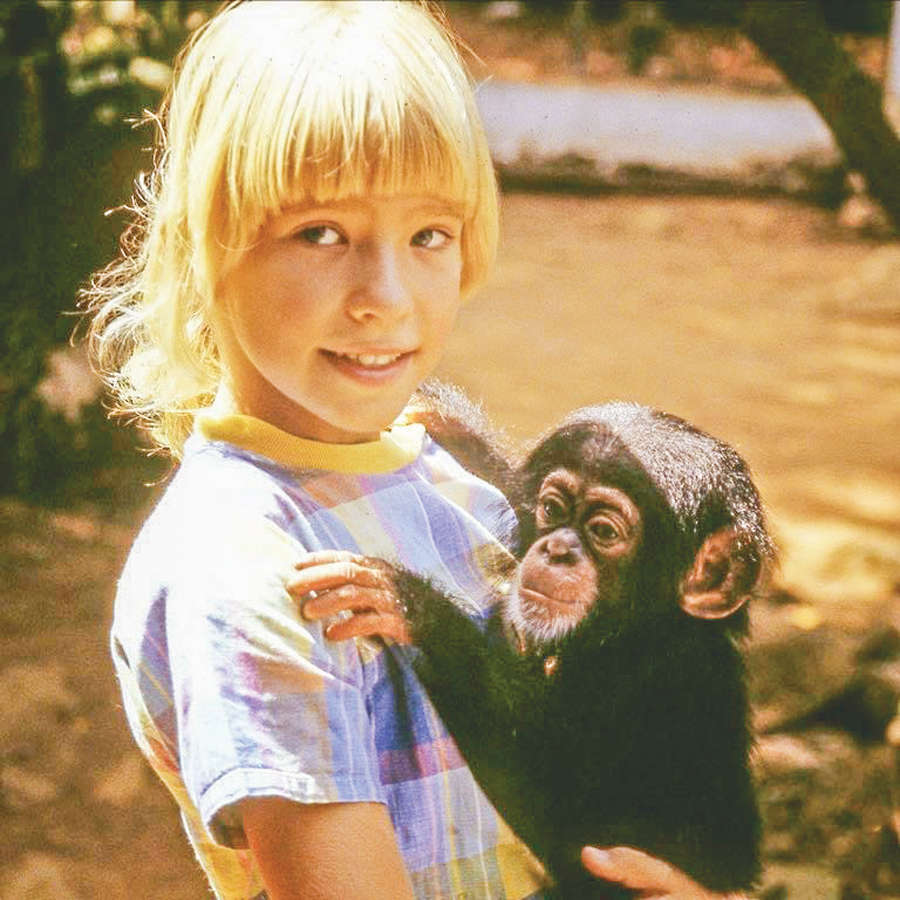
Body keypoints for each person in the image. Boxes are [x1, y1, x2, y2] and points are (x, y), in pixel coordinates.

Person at [84, 3, 750, 899]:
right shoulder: (244, 567)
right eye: (321, 233)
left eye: (428, 234)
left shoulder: (450, 482)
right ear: (206, 242)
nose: (386, 297)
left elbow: (559, 747)